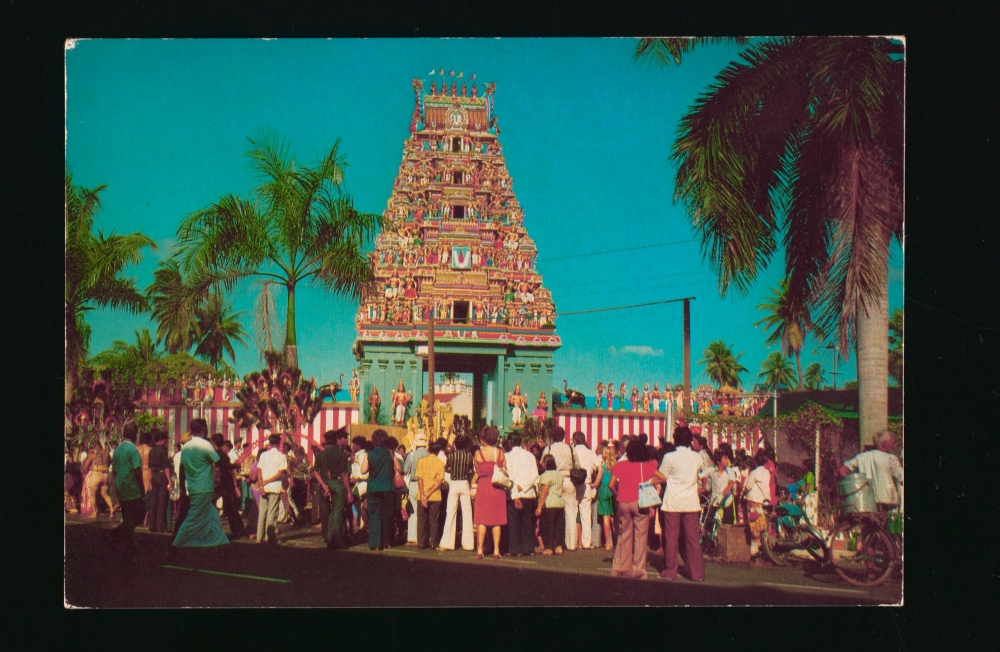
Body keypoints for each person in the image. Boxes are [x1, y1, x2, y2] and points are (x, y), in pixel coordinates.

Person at [170, 419, 230, 557]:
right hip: (204, 488)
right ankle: (175, 545)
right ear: (203, 429)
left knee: (213, 515)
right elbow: (219, 462)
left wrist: (184, 490)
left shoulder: (186, 447)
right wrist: (233, 466)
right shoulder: (205, 445)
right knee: (193, 519)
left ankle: (222, 542)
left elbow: (182, 469)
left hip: (193, 487)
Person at [658, 426, 708, 581]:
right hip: (691, 502)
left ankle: (670, 571)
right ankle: (696, 573)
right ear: (690, 440)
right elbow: (704, 471)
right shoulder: (697, 457)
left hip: (673, 501)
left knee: (671, 537)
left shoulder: (669, 457)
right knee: (692, 538)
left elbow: (663, 476)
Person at [609, 439, 665, 578]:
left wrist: (617, 494)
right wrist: (650, 482)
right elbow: (663, 478)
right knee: (640, 537)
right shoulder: (646, 466)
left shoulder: (620, 465)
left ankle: (619, 567)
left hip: (623, 502)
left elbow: (611, 485)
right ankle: (638, 570)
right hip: (640, 502)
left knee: (623, 535)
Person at [838, 429, 904, 510]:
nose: (894, 446)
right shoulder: (891, 458)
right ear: (885, 444)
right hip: (888, 502)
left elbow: (842, 470)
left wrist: (855, 485)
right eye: (893, 443)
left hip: (867, 501)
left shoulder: (861, 457)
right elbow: (902, 478)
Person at [360, 429, 401, 551]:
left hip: (373, 488)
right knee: (387, 516)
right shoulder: (389, 453)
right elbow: (398, 468)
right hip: (388, 488)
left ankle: (375, 543)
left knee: (374, 516)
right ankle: (386, 542)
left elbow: (363, 471)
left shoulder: (369, 454)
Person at [312, 428, 353, 549]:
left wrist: (325, 485)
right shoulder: (341, 454)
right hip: (338, 483)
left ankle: (329, 537)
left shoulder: (321, 454)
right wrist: (349, 491)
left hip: (327, 483)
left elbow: (317, 471)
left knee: (328, 512)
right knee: (339, 512)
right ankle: (337, 539)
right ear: (336, 439)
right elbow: (344, 474)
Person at [106, 424, 145, 552]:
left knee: (127, 515)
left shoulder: (117, 450)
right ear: (135, 435)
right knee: (138, 515)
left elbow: (115, 470)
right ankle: (120, 537)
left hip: (120, 485)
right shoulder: (133, 450)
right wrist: (141, 486)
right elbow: (137, 470)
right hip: (131, 485)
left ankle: (124, 540)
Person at [471, 426, 507, 559]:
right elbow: (504, 469)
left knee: (482, 520)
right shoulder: (500, 452)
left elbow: (478, 472)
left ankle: (480, 550)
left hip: (484, 486)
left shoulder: (477, 454)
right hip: (497, 487)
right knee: (496, 521)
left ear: (483, 438)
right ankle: (496, 551)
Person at [542, 426, 580, 551]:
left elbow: (542, 464)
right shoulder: (570, 448)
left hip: (554, 480)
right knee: (570, 511)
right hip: (569, 479)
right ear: (563, 436)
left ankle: (553, 543)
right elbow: (577, 465)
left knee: (553, 512)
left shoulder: (548, 448)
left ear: (551, 437)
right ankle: (571, 543)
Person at [505, 432, 539, 557]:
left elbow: (509, 476)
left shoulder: (507, 456)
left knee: (513, 521)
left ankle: (515, 548)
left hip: (514, 492)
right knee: (527, 521)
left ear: (510, 442)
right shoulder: (530, 456)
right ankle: (528, 548)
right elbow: (535, 475)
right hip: (528, 492)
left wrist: (517, 490)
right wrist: (525, 487)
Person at [440, 434, 475, 551]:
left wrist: (454, 469)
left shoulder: (451, 456)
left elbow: (447, 469)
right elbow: (471, 470)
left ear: (455, 444)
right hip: (464, 483)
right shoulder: (468, 456)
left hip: (454, 483)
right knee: (467, 513)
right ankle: (468, 544)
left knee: (451, 512)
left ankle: (447, 542)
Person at [255, 434, 289, 545]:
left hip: (263, 488)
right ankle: (269, 537)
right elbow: (280, 473)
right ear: (279, 443)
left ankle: (259, 537)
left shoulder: (263, 455)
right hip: (274, 487)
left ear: (269, 443)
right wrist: (267, 481)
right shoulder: (281, 456)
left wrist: (261, 485)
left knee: (262, 513)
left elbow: (259, 471)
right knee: (272, 513)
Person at [211, 434, 244, 540]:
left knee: (214, 506)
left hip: (217, 484)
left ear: (214, 442)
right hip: (225, 484)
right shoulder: (223, 455)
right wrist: (235, 465)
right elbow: (228, 467)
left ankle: (235, 529)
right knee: (230, 508)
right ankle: (238, 529)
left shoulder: (213, 454)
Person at [415, 439, 446, 549]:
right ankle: (434, 542)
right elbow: (440, 482)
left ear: (428, 450)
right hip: (435, 495)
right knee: (434, 519)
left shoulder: (421, 462)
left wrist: (423, 494)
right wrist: (429, 493)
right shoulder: (440, 463)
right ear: (438, 452)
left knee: (421, 519)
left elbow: (420, 479)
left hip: (421, 495)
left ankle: (421, 542)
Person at [572, 432, 600, 549]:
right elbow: (600, 469)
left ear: (574, 440)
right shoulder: (591, 453)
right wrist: (596, 483)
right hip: (587, 484)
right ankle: (586, 542)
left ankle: (572, 541)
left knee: (572, 513)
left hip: (573, 484)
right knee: (586, 514)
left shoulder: (572, 451)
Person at [743, 450, 772, 557]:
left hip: (754, 501)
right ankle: (762, 548)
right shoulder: (767, 472)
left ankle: (754, 551)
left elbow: (748, 486)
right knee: (761, 526)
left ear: (756, 461)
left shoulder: (754, 473)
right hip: (764, 502)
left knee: (754, 526)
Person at [403, 434, 430, 545]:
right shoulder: (429, 455)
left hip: (414, 483)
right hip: (427, 484)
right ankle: (424, 537)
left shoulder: (412, 455)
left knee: (413, 512)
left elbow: (405, 470)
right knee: (424, 512)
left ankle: (413, 537)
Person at [536, 455, 566, 555]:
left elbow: (544, 492)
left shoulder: (545, 475)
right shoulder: (559, 474)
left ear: (546, 463)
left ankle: (549, 547)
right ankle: (559, 546)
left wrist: (539, 507)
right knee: (558, 526)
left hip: (549, 503)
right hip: (560, 502)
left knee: (548, 526)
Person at [147, 430, 172, 533]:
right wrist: (169, 481)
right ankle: (160, 525)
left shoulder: (151, 451)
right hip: (162, 475)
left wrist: (149, 481)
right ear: (161, 440)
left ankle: (151, 524)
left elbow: (149, 468)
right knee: (162, 501)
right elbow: (166, 467)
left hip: (154, 475)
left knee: (153, 501)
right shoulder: (163, 451)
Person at [83, 441, 114, 519]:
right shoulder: (107, 454)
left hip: (96, 474)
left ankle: (94, 513)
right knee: (105, 494)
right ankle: (111, 508)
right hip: (105, 475)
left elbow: (85, 466)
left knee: (92, 495)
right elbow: (110, 462)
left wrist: (85, 469)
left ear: (95, 446)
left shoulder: (93, 455)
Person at [596, 441, 617, 550]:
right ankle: (615, 540)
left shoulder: (602, 466)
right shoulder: (615, 465)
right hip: (612, 489)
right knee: (613, 516)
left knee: (605, 517)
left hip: (604, 488)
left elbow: (598, 481)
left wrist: (592, 485)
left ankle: (608, 543)